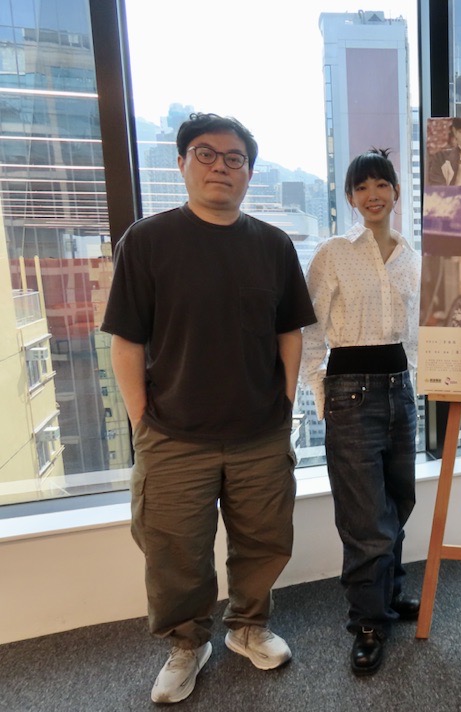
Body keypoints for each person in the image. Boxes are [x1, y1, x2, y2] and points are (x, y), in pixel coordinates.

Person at [102, 112, 316, 704]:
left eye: (234, 158)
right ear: (181, 163)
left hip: (260, 432)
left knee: (264, 540)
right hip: (172, 435)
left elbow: (289, 332)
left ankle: (248, 627)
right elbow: (126, 341)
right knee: (173, 550)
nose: (221, 166)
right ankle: (186, 644)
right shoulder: (147, 242)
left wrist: (285, 402)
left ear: (249, 172)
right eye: (206, 154)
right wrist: (143, 421)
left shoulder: (273, 246)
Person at [301, 148, 421, 677]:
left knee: (398, 501)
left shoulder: (411, 255)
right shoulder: (332, 252)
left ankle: (388, 596)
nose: (373, 195)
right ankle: (368, 623)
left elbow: (414, 335)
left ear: (395, 191)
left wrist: (418, 385)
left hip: (399, 388)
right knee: (364, 516)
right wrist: (320, 393)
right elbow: (309, 331)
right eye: (362, 187)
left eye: (381, 184)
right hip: (349, 391)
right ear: (350, 197)